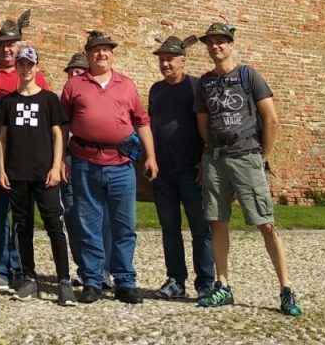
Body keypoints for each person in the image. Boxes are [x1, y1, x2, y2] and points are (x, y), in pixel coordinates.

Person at [194, 22, 301, 316]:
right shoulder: (204, 82)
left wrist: (260, 155)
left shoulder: (248, 75)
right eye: (210, 42)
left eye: (220, 42)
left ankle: (286, 288)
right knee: (217, 221)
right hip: (215, 158)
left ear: (231, 45)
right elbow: (202, 125)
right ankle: (223, 285)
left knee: (265, 223)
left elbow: (271, 119)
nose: (215, 46)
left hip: (247, 157)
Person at [60, 30, 157, 305]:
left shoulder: (126, 84)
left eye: (106, 50)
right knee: (87, 224)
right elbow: (62, 125)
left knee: (124, 226)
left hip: (121, 165)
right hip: (84, 162)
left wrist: (150, 156)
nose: (101, 54)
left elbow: (141, 121)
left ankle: (125, 281)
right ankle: (92, 280)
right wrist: (59, 160)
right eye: (95, 50)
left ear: (112, 54)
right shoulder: (74, 85)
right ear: (88, 54)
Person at [0, 45, 76, 306]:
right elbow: (1, 139)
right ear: (16, 67)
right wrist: (2, 169)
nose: (26, 69)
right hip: (18, 174)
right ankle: (29, 277)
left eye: (30, 64)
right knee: (22, 225)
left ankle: (64, 280)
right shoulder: (8, 102)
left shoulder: (49, 100)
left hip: (45, 174)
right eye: (21, 64)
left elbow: (57, 135)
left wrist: (55, 166)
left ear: (36, 67)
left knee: (54, 225)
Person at [0, 12, 47, 291]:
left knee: (21, 216)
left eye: (11, 44)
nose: (6, 48)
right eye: (2, 44)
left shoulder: (34, 74)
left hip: (23, 157)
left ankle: (19, 268)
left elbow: (44, 113)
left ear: (19, 46)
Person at [148, 35, 215, 301]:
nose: (165, 64)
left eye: (170, 59)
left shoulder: (196, 87)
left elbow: (207, 126)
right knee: (170, 227)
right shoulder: (156, 90)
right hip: (164, 171)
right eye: (162, 59)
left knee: (201, 228)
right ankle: (176, 279)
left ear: (183, 61)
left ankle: (206, 281)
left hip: (192, 169)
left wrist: (204, 160)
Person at [57, 52, 96, 276]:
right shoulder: (63, 99)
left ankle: (101, 268)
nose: (73, 74)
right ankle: (84, 267)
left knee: (94, 212)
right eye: (71, 71)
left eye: (78, 71)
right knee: (72, 212)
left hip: (89, 158)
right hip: (69, 158)